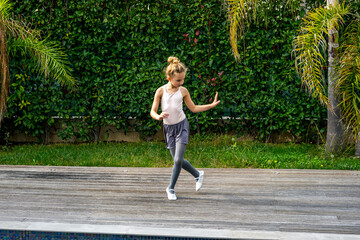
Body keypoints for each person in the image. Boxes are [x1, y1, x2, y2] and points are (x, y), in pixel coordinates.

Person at [150, 56, 221, 200]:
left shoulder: (183, 91)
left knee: (177, 160)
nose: (181, 82)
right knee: (178, 160)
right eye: (178, 80)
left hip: (182, 126)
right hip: (168, 129)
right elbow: (152, 111)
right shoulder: (160, 91)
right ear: (169, 78)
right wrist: (158, 116)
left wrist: (211, 106)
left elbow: (193, 108)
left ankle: (170, 188)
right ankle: (197, 174)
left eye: (183, 79)